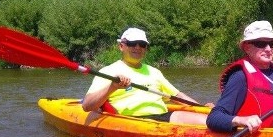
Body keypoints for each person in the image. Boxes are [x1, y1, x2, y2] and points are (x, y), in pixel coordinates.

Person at [81, 27, 210, 124]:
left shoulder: (154, 71)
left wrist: (202, 107)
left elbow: (177, 96)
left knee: (208, 121)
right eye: (132, 43)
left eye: (142, 44)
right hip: (133, 121)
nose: (138, 47)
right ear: (121, 46)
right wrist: (112, 87)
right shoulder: (108, 71)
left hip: (162, 116)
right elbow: (87, 106)